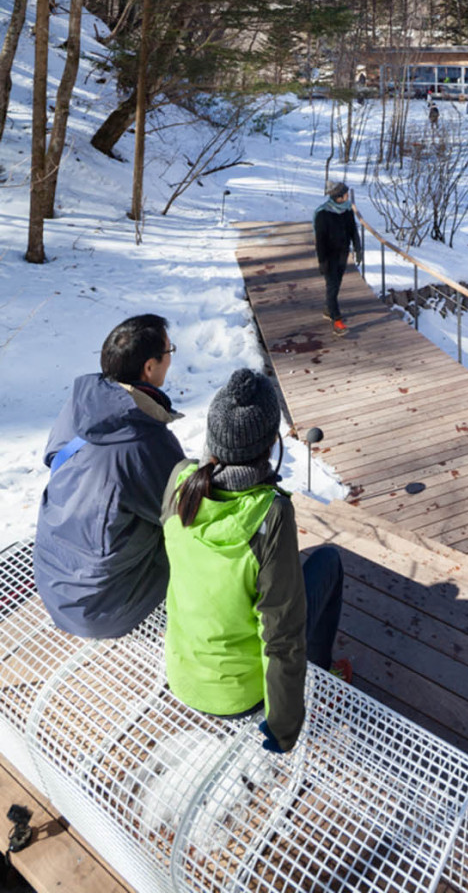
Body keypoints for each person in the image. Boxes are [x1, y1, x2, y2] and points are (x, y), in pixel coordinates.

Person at [162, 369, 346, 754]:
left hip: (182, 676)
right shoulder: (271, 514)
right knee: (328, 562)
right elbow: (283, 635)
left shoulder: (182, 481)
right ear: (269, 444)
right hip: (237, 696)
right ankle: (325, 671)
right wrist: (283, 727)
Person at [33, 314, 184, 638]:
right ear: (149, 367)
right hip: (101, 608)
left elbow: (54, 457)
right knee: (188, 537)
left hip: (53, 579)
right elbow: (186, 511)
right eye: (169, 350)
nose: (170, 357)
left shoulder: (81, 404)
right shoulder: (145, 443)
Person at [313, 181, 361, 333]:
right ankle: (337, 321)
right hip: (328, 255)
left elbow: (353, 230)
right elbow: (320, 240)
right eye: (346, 194)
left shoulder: (347, 210)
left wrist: (358, 249)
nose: (348, 197)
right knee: (332, 286)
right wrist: (321, 261)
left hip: (343, 253)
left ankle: (328, 310)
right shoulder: (323, 213)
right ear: (338, 197)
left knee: (336, 284)